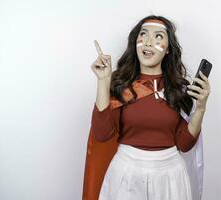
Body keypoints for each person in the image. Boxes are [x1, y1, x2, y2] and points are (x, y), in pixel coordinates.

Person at [84, 15, 211, 200]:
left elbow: (184, 144)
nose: (149, 42)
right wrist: (103, 81)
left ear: (168, 49)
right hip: (126, 174)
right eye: (143, 34)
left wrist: (200, 109)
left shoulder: (178, 89)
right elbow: (102, 133)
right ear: (135, 43)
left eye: (158, 36)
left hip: (170, 176)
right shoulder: (120, 84)